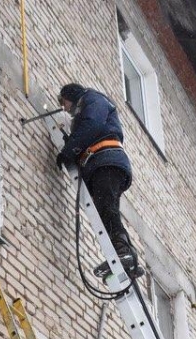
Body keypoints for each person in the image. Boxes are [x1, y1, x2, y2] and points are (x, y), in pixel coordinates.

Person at [55, 83, 143, 280]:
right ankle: (127, 259)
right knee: (106, 209)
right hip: (101, 164)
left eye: (63, 102)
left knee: (107, 208)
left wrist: (69, 150)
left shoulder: (93, 99)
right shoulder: (87, 107)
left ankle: (124, 253)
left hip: (106, 160)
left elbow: (92, 125)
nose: (64, 108)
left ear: (71, 95)